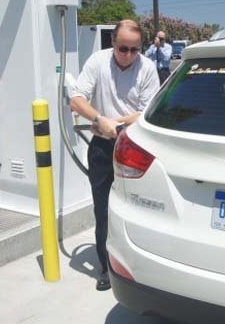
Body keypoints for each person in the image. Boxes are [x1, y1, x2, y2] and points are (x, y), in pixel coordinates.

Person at [69, 19, 160, 291]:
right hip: (102, 146)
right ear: (113, 43)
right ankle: (106, 266)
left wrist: (114, 122)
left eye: (135, 49)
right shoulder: (97, 62)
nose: (129, 55)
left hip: (135, 147)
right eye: (123, 49)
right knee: (103, 210)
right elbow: (76, 100)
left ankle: (140, 262)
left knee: (141, 207)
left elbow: (147, 110)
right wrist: (100, 120)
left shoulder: (147, 68)